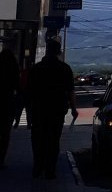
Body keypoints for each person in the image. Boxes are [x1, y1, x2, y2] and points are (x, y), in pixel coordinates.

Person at [26, 39, 77, 179]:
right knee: (53, 140)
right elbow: (70, 91)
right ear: (59, 52)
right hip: (57, 110)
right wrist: (73, 108)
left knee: (38, 139)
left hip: (39, 110)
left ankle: (38, 166)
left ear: (47, 51)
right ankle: (50, 169)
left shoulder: (36, 69)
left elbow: (29, 92)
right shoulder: (65, 69)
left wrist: (28, 110)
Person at [0, 45, 20, 168]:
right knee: (5, 133)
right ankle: (1, 159)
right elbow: (18, 88)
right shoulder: (14, 70)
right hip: (7, 104)